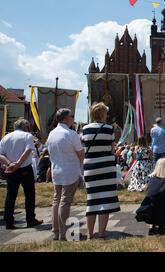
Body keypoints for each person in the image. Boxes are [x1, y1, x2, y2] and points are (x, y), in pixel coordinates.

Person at [82, 102, 120, 240]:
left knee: (92, 200)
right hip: (106, 166)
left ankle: (89, 234)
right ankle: (102, 233)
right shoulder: (109, 128)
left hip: (90, 166)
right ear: (103, 114)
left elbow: (84, 148)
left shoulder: (85, 129)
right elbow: (112, 149)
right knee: (106, 199)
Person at [46, 109, 84, 240]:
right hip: (69, 170)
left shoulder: (51, 133)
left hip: (57, 169)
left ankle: (56, 231)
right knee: (65, 202)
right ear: (66, 118)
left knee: (57, 200)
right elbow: (80, 154)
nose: (73, 118)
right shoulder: (71, 133)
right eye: (72, 116)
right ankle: (63, 233)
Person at [0, 118, 43, 229]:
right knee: (29, 195)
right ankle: (30, 219)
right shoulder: (27, 136)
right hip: (24, 168)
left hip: (11, 169)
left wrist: (10, 163)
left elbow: (1, 154)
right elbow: (28, 150)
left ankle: (9, 221)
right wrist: (18, 163)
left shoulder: (6, 137)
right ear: (26, 127)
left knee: (11, 196)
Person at [135, 158, 165, 235]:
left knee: (157, 206)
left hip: (147, 213)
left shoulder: (152, 179)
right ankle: (162, 225)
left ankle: (153, 226)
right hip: (162, 212)